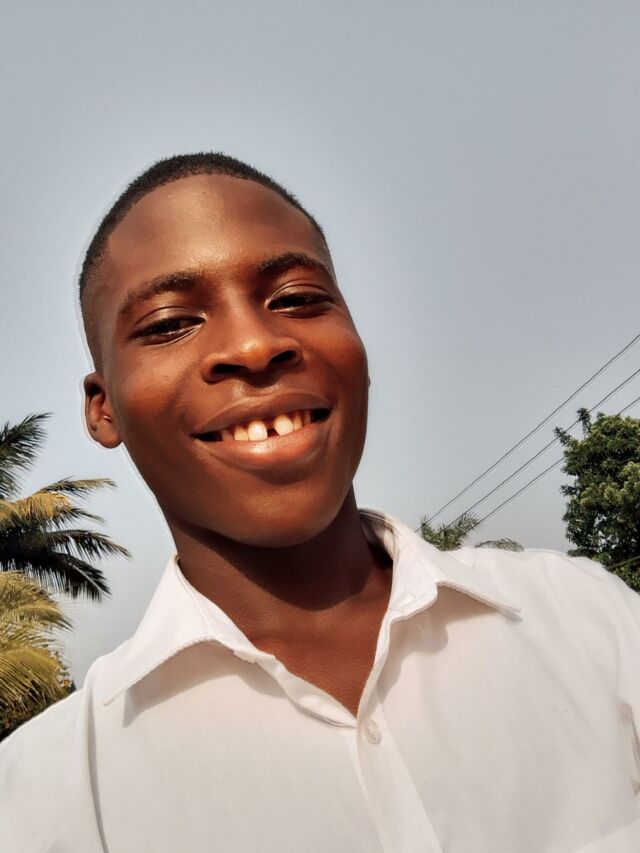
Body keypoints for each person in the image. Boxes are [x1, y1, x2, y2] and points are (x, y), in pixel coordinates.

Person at [1, 153, 640, 853]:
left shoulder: (588, 621)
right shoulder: (46, 799)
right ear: (104, 409)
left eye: (297, 298)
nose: (254, 344)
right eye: (170, 322)